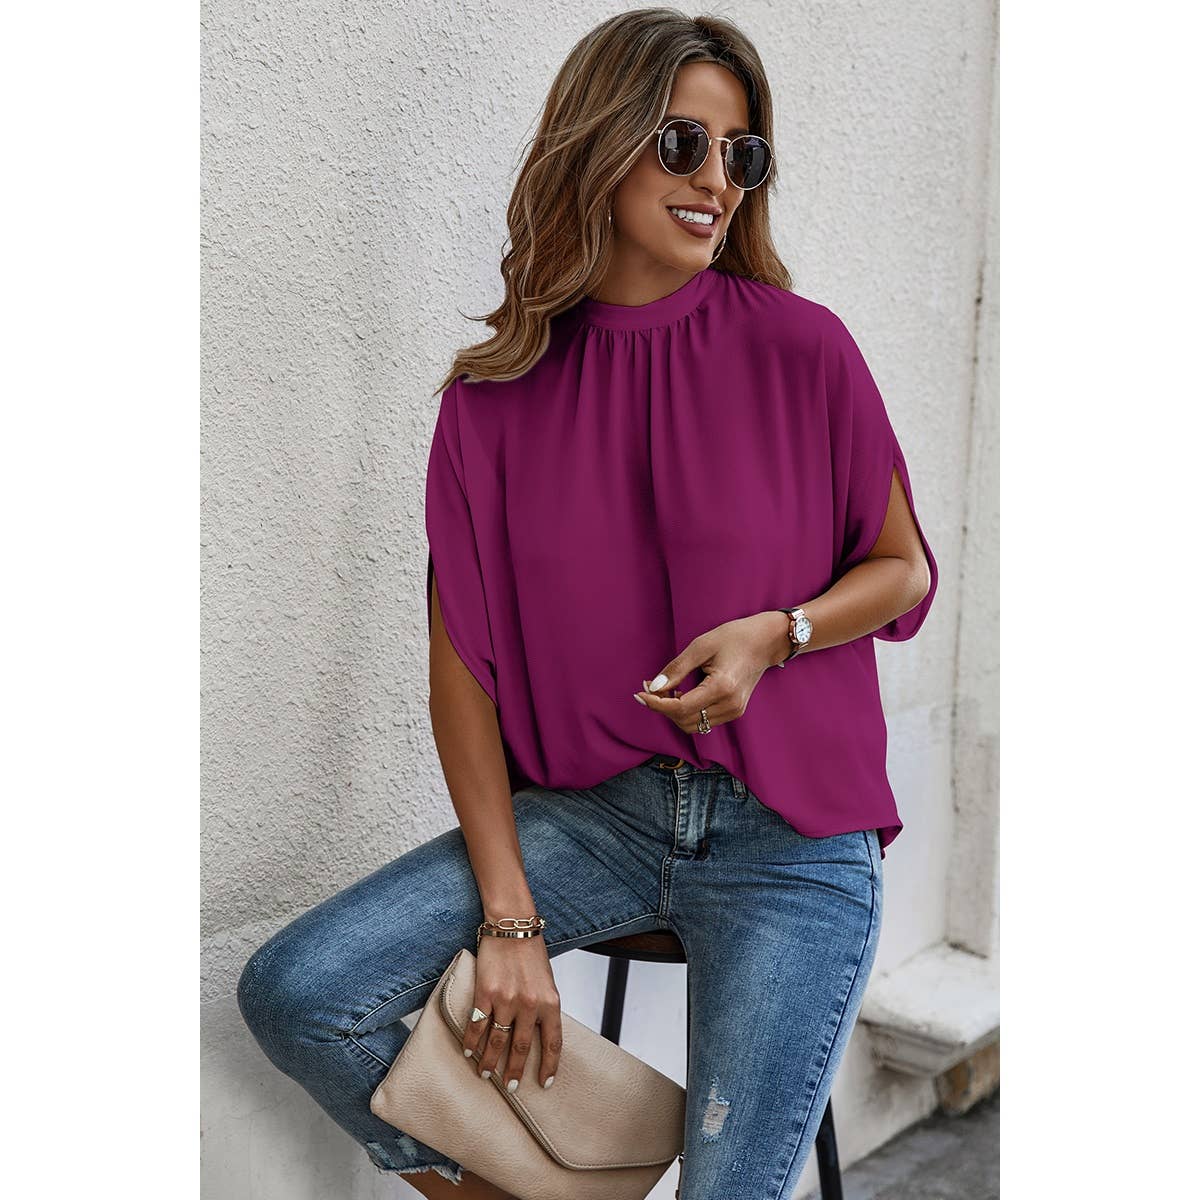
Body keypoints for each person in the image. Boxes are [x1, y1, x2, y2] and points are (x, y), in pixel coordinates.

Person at [237, 10, 938, 1199]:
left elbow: (900, 568)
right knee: (301, 988)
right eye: (682, 144)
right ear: (600, 143)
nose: (716, 180)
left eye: (741, 154)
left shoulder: (803, 349)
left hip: (792, 838)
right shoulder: (491, 403)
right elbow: (462, 669)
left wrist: (782, 634)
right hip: (595, 818)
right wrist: (508, 923)